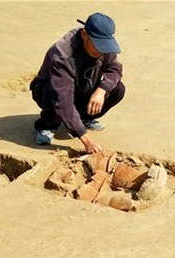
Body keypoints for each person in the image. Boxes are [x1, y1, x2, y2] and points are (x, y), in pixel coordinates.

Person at [30, 12, 125, 153]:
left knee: (118, 89)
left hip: (82, 86)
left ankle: (84, 118)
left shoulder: (105, 45)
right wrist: (86, 139)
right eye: (97, 45)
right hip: (51, 91)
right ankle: (47, 125)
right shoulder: (62, 54)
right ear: (84, 35)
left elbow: (115, 69)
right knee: (55, 94)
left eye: (104, 46)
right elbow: (63, 100)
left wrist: (101, 90)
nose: (100, 50)